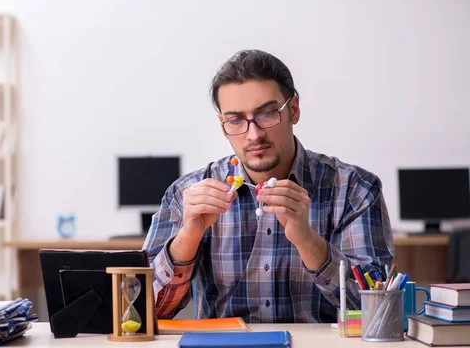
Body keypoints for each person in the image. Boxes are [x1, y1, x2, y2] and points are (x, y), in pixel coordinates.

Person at [142, 49, 394, 323]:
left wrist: (308, 241)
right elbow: (141, 312)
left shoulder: (354, 189)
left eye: (267, 114)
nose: (254, 134)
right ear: (223, 124)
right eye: (236, 120)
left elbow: (379, 313)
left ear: (293, 109)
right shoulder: (187, 194)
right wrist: (188, 237)